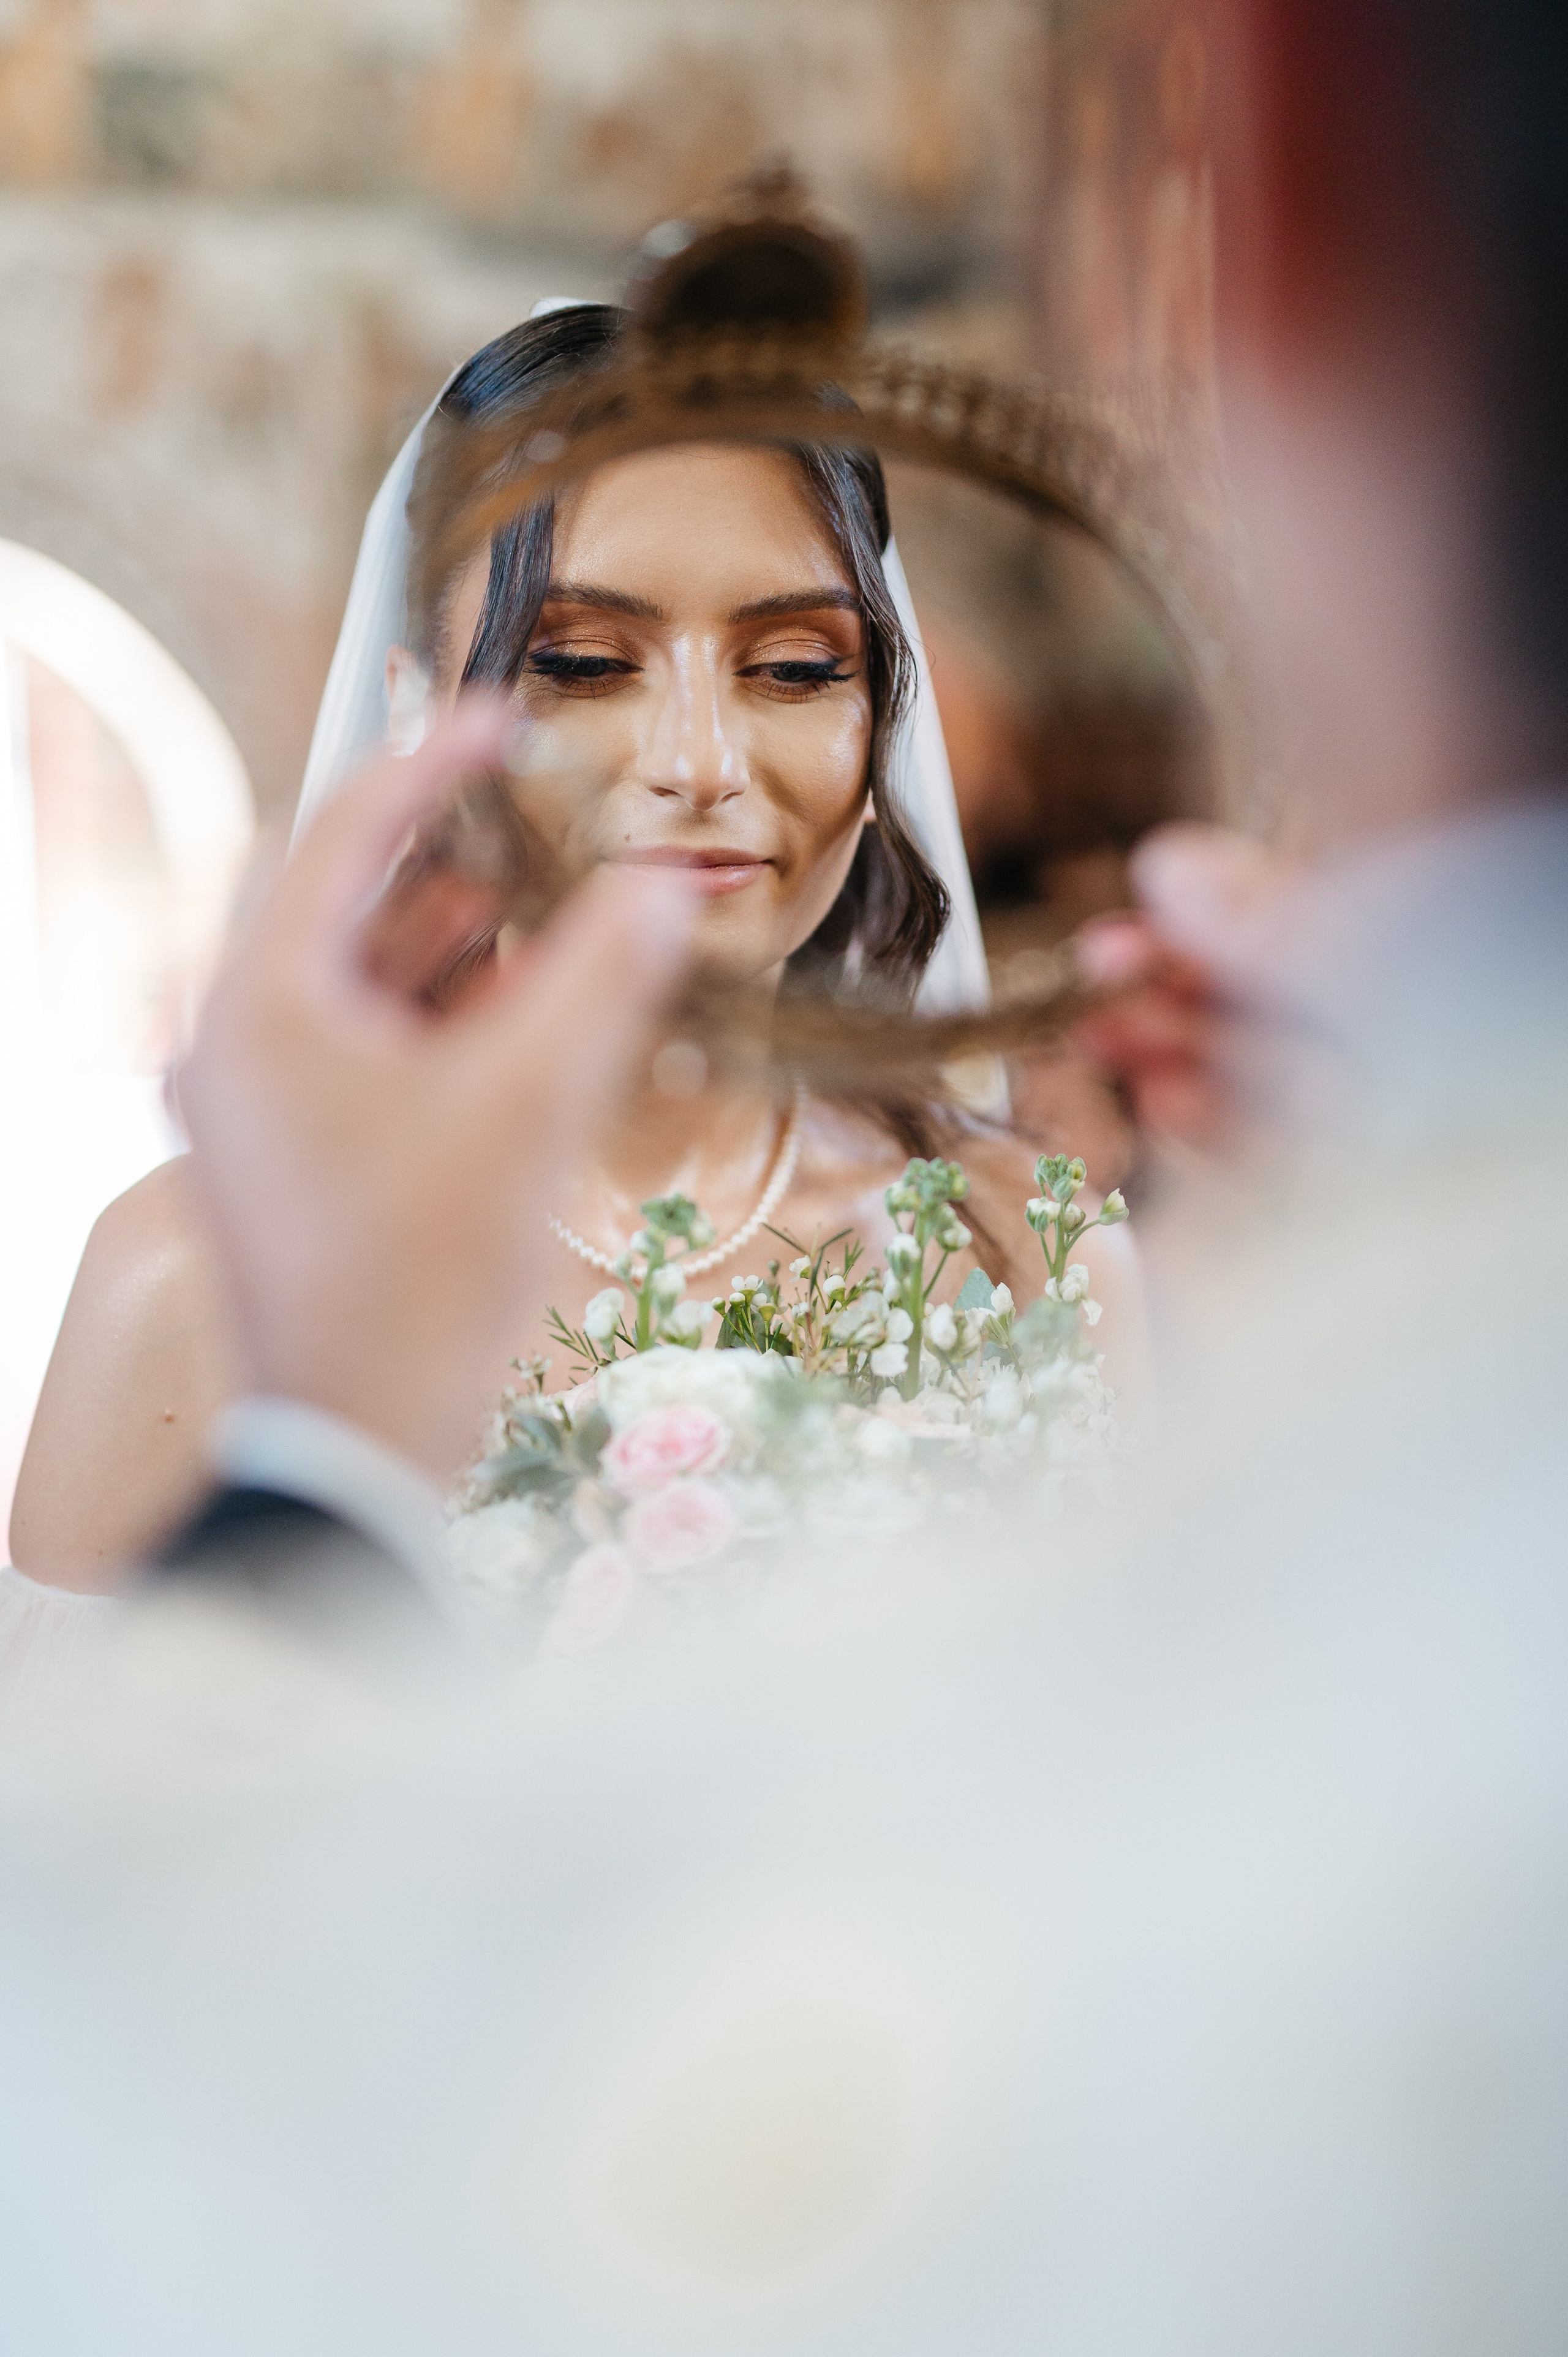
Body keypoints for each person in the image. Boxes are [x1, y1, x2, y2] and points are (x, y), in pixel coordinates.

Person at [8, 301, 1140, 1592]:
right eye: (586, 662)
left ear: (881, 734)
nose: (700, 765)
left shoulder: (1033, 1263)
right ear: (417, 717)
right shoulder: (192, 1280)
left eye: (791, 670)